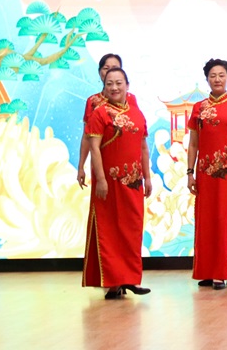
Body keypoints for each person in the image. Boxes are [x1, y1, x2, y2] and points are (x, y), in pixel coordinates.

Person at [82, 67, 152, 299]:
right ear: (104, 87)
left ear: (127, 86)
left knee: (132, 229)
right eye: (109, 83)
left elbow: (143, 147)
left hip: (133, 183)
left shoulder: (137, 114)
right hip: (109, 183)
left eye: (119, 83)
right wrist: (101, 179)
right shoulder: (100, 114)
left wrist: (147, 177)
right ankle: (113, 284)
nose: (114, 87)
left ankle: (131, 278)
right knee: (110, 230)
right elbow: (94, 148)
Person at [186, 58, 227, 290]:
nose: (217, 79)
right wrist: (190, 172)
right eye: (213, 75)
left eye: (221, 75)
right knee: (206, 222)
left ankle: (222, 272)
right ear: (207, 79)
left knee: (225, 220)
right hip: (205, 175)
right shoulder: (199, 108)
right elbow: (193, 143)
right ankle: (206, 271)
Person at [77, 54, 138, 189]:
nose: (110, 71)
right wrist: (81, 166)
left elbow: (138, 133)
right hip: (102, 162)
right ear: (100, 72)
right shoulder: (93, 102)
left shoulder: (131, 99)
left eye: (115, 68)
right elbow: (87, 137)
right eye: (106, 68)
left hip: (127, 165)